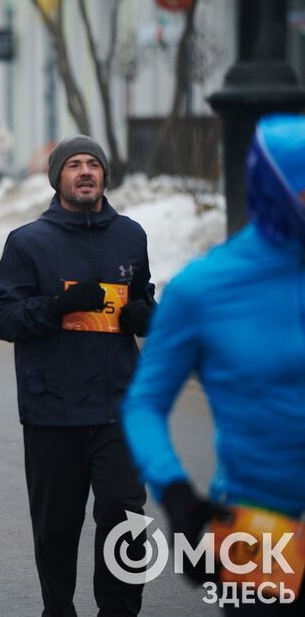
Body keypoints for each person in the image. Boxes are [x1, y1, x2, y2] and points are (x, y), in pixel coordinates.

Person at [123, 115, 304, 616]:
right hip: (261, 528)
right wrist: (176, 495)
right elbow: (145, 403)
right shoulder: (204, 288)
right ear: (276, 190)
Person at [0, 135, 155, 616]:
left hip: (119, 404)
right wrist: (57, 307)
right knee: (57, 527)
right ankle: (58, 609)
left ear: (105, 174)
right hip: (52, 407)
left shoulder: (130, 235)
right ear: (57, 176)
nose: (85, 172)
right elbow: (2, 318)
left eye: (93, 164)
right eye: (74, 165)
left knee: (125, 515)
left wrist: (145, 315)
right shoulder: (28, 242)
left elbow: (140, 296)